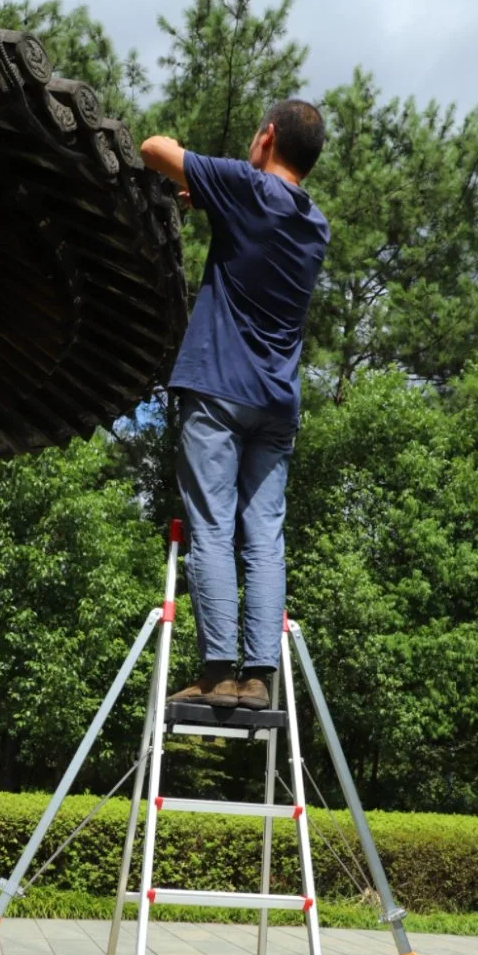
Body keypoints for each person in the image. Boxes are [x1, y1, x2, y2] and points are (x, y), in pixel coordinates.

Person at [140, 100, 328, 711]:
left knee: (212, 526)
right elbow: (254, 238)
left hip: (220, 390)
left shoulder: (246, 188)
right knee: (264, 536)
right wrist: (214, 200)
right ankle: (259, 678)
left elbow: (153, 148)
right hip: (278, 404)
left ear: (268, 137)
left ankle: (219, 673)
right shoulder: (315, 225)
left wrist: (203, 183)